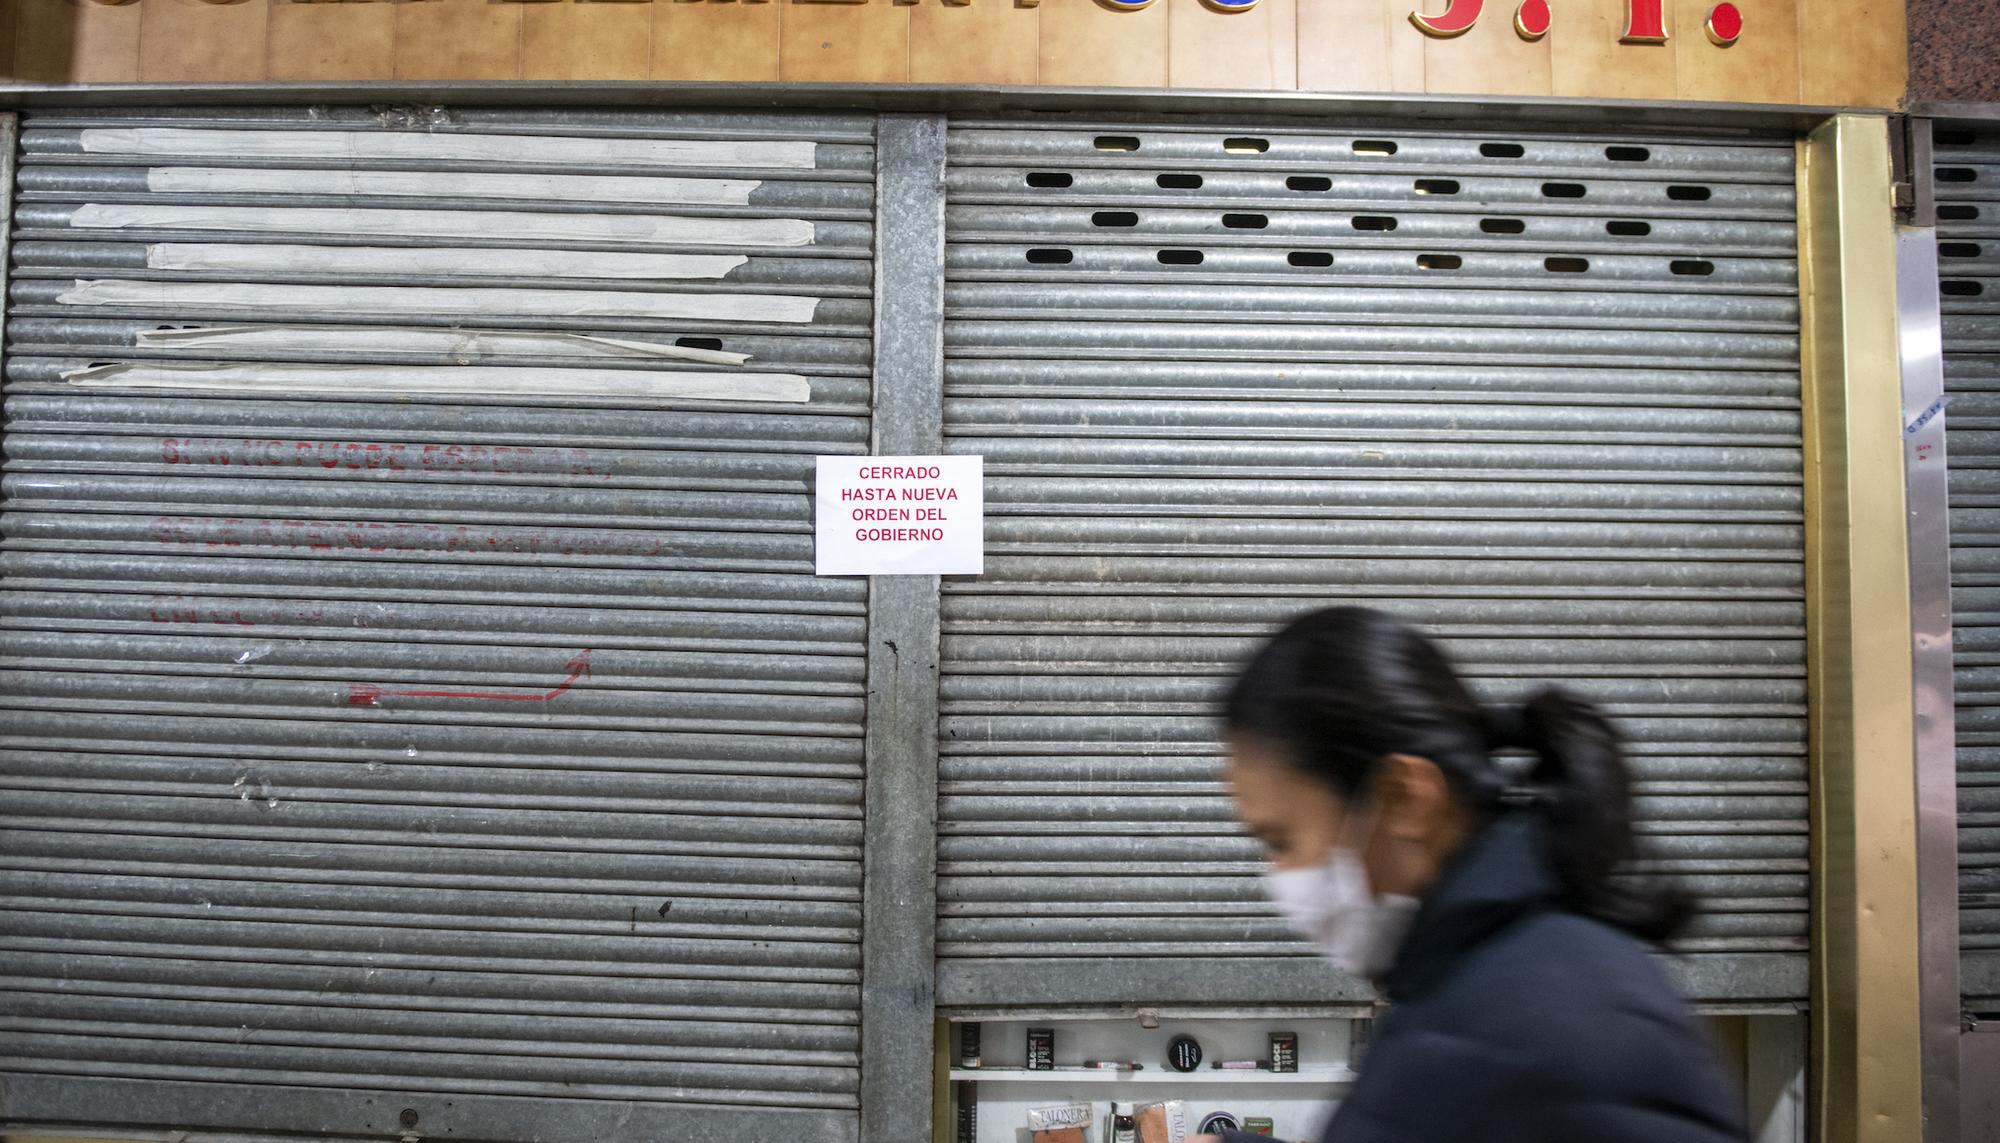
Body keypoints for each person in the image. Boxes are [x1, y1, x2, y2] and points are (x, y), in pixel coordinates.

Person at [1193, 607, 1747, 1143]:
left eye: (1281, 840)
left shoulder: (1534, 1028)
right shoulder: (1479, 980)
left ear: (1405, 798)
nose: (1279, 878)